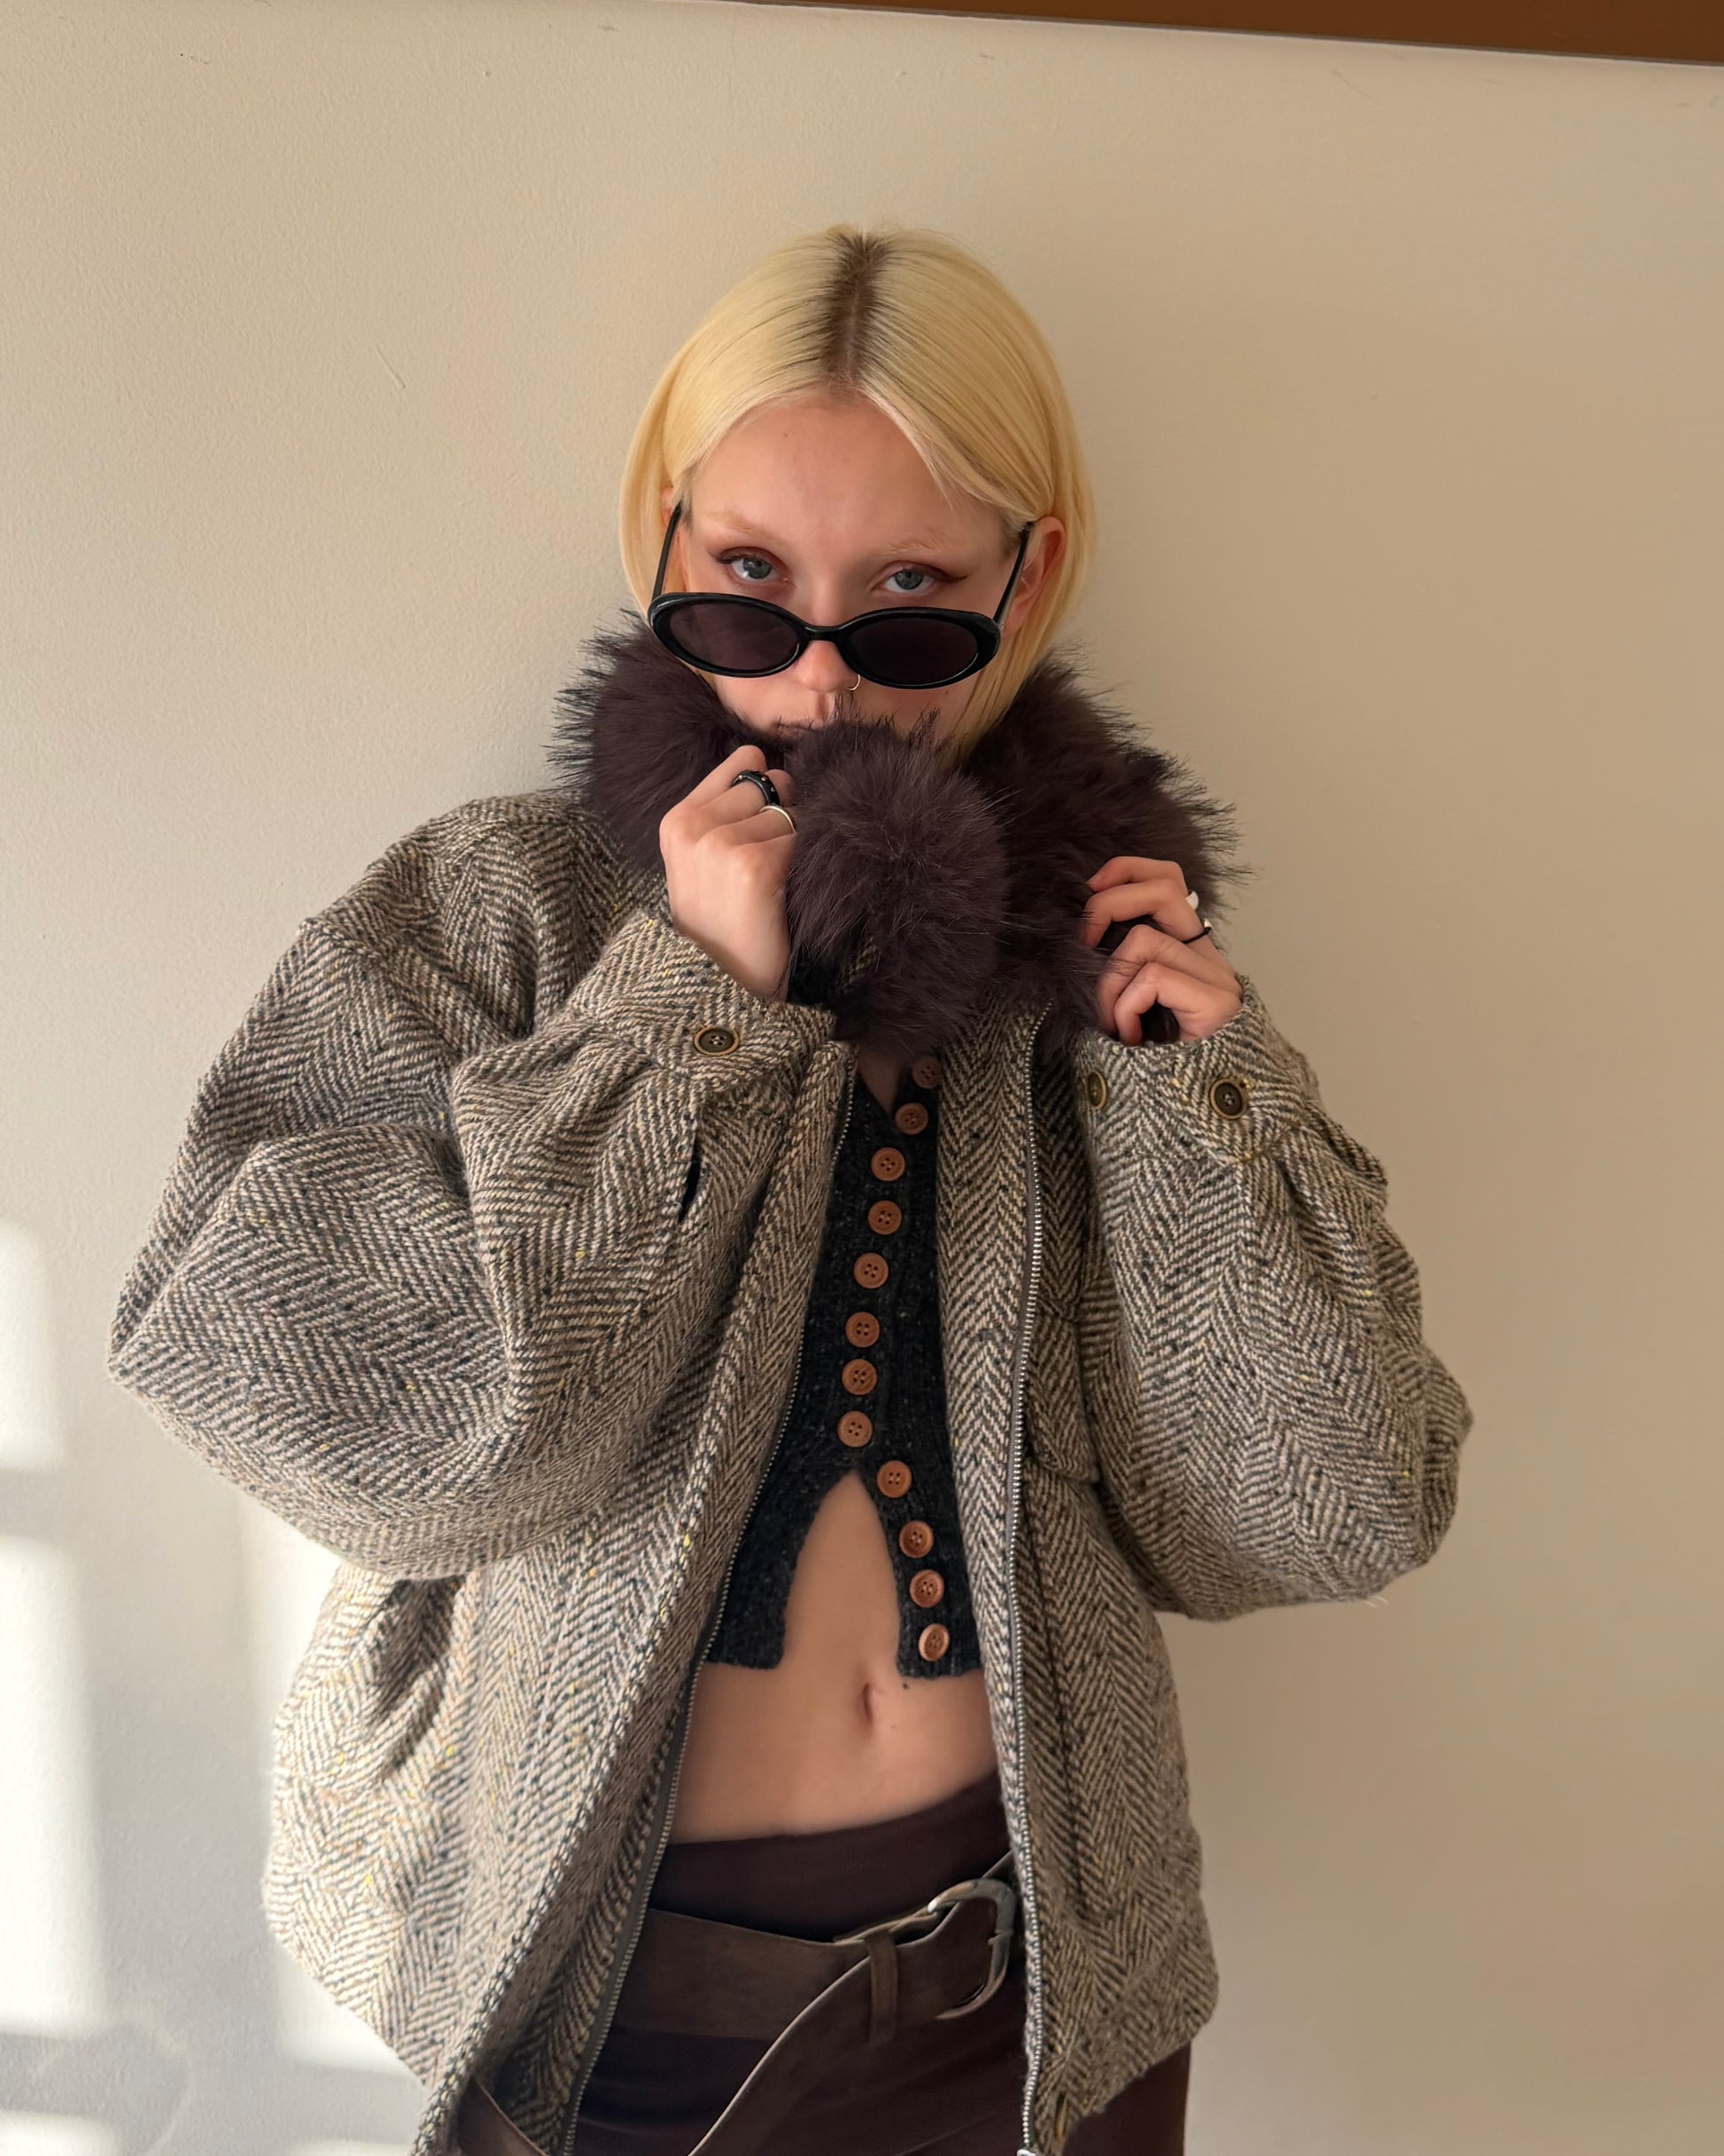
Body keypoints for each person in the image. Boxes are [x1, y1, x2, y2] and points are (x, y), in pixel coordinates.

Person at [105, 224, 1473, 2156]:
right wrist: (685, 1009)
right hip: (603, 2012)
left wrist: (1197, 1097)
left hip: (1032, 2015)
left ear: (1026, 581)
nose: (820, 684)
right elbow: (331, 1416)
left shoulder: (1094, 973)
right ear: (661, 535)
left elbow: (1328, 1509)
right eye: (747, 588)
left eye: (908, 604)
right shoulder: (505, 909)